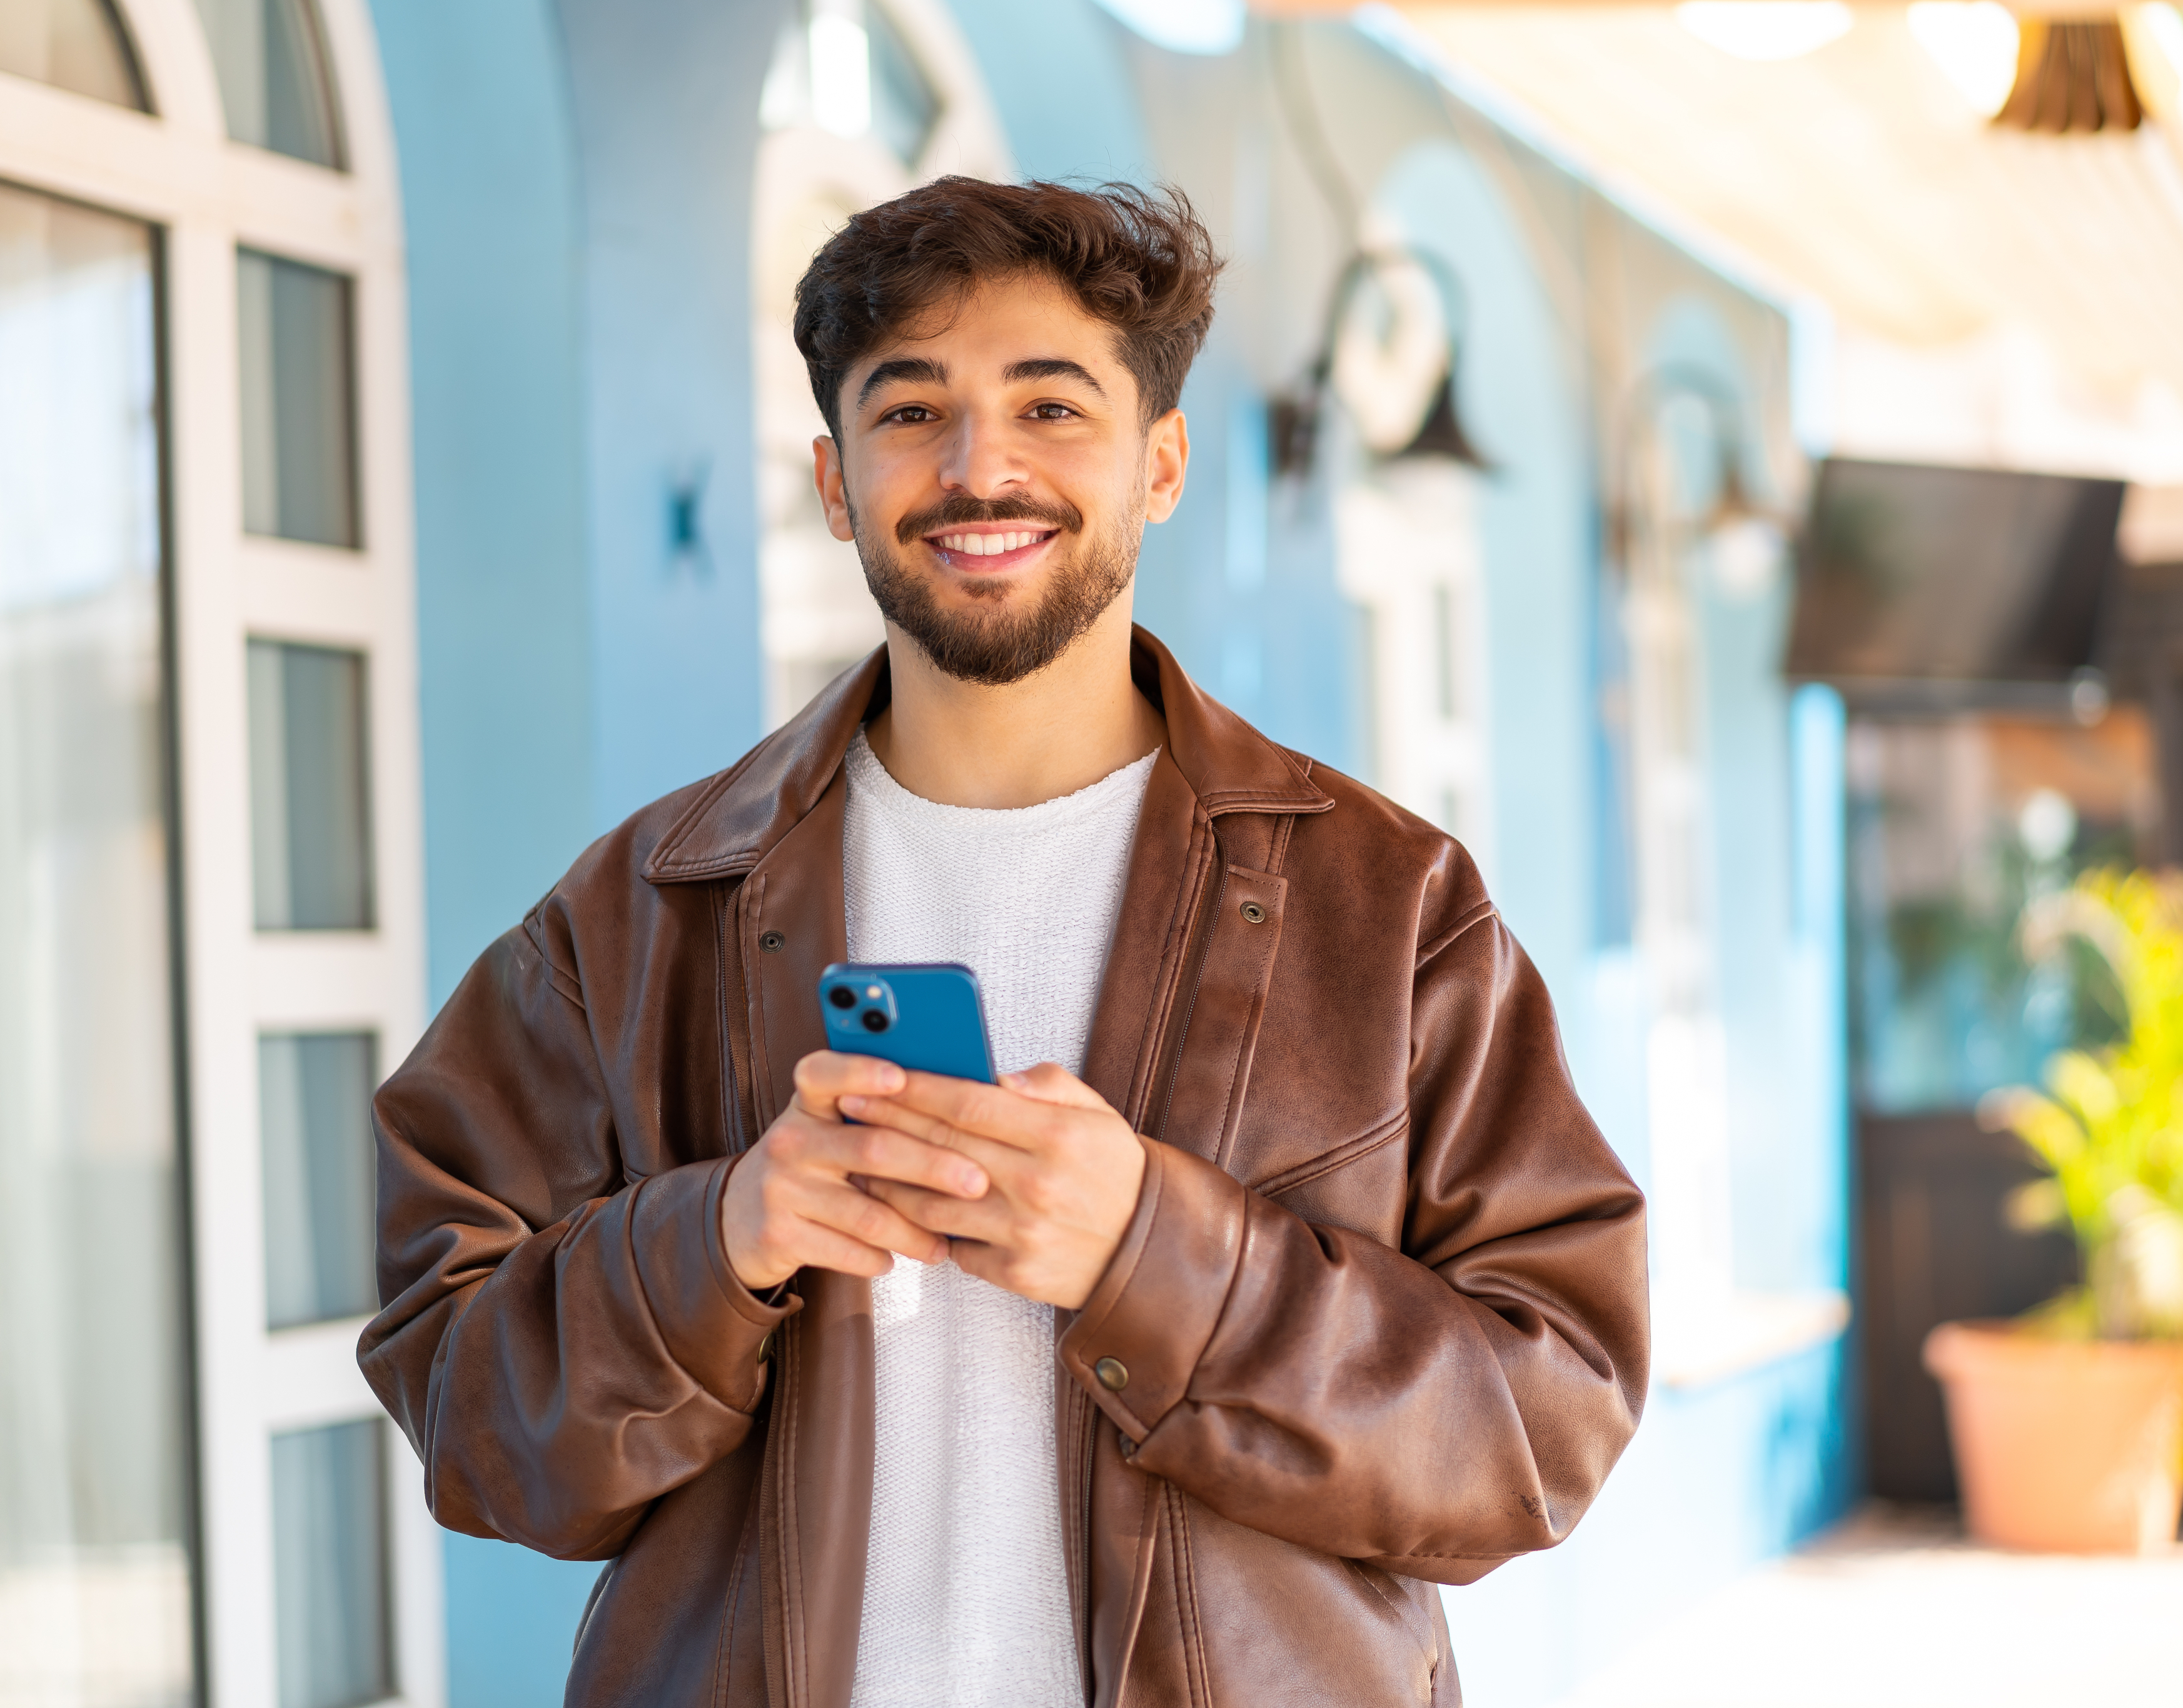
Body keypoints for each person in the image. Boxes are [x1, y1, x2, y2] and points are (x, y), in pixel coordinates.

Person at [360, 176, 1648, 1708]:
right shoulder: (639, 907)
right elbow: (464, 1401)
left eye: (1051, 408)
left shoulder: (1388, 905)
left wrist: (1153, 1256)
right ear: (835, 480)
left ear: (1158, 463)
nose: (980, 470)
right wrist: (720, 1240)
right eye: (910, 413)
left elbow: (1541, 1420)